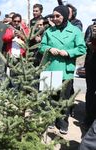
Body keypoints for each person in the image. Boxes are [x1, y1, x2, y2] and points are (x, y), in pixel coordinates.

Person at [39, 5, 86, 134]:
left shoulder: (75, 31)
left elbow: (82, 48)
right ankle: (49, 120)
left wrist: (68, 52)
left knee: (64, 100)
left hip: (66, 69)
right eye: (53, 16)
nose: (55, 18)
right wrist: (49, 49)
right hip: (50, 67)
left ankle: (63, 123)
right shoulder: (49, 31)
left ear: (65, 16)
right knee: (50, 98)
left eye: (58, 16)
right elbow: (41, 46)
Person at [84, 20, 96, 128]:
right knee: (91, 91)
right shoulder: (91, 28)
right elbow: (86, 43)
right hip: (92, 63)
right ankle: (88, 118)